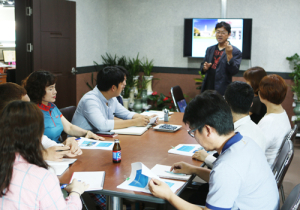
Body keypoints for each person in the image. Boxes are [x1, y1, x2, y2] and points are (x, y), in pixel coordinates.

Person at [148, 91, 279, 209]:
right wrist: (193, 169)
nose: (194, 137)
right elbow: (225, 180)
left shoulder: (227, 167)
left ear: (208, 130)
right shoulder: (247, 143)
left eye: (193, 132)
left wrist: (169, 195)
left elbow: (224, 176)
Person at [0, 100, 89, 209]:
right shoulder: (43, 177)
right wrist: (75, 193)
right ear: (38, 132)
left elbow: (48, 143)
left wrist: (65, 148)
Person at [0, 82, 82, 161]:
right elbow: (9, 159)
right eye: (25, 107)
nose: (30, 110)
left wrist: (65, 147)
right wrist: (43, 154)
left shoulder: (24, 125)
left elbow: (43, 141)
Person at [193, 81, 267, 168]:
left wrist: (206, 157)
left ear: (226, 103)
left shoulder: (239, 138)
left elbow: (228, 168)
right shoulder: (256, 129)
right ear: (251, 104)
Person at [23, 71, 104, 143]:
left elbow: (69, 128)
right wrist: (62, 146)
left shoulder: (52, 106)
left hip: (60, 149)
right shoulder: (32, 112)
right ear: (38, 90)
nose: (55, 92)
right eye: (50, 89)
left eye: (54, 87)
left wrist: (86, 133)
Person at [72, 66, 155, 132]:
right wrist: (134, 122)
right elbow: (103, 125)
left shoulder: (111, 98)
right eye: (122, 83)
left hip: (99, 138)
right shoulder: (90, 100)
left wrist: (145, 118)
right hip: (80, 143)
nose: (124, 85)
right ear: (113, 88)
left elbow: (126, 114)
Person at [200, 21, 242, 95]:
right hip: (208, 86)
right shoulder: (210, 49)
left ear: (229, 34)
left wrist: (229, 55)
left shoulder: (235, 51)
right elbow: (203, 65)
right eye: (218, 32)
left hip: (222, 88)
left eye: (223, 32)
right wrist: (204, 68)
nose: (220, 35)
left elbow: (234, 71)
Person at [258, 74, 291, 166]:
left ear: (261, 94)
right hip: (270, 168)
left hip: (263, 170)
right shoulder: (282, 113)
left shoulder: (269, 121)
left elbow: (254, 150)